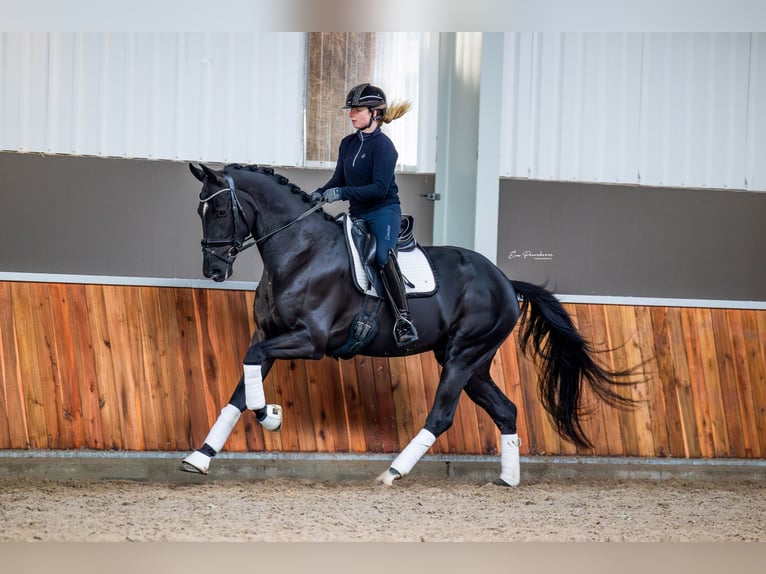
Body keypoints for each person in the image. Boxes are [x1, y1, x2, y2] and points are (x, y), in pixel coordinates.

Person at [312, 83, 418, 347]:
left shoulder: (384, 147)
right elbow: (338, 178)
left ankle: (403, 319)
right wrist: (319, 193)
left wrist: (341, 193)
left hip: (382, 212)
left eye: (357, 110)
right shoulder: (347, 143)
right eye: (351, 110)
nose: (351, 114)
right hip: (357, 212)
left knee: (382, 255)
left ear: (375, 113)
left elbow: (379, 188)